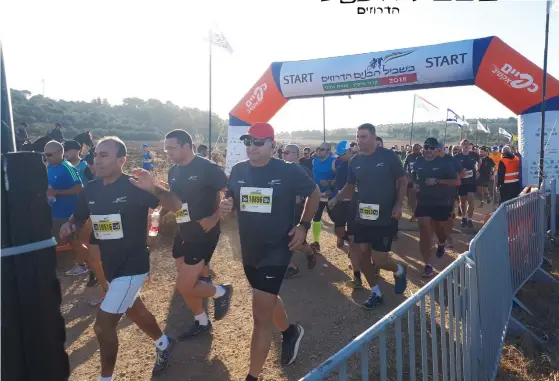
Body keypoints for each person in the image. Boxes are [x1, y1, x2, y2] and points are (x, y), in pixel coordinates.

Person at [59, 136, 183, 379]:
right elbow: (78, 218)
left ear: (121, 160)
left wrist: (154, 188)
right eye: (96, 155)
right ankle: (164, 343)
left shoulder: (135, 186)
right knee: (133, 309)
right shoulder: (91, 189)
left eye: (105, 155)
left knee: (103, 326)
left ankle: (106, 378)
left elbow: (177, 204)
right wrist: (69, 225)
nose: (98, 160)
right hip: (110, 265)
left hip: (133, 266)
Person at [219, 122, 320, 381]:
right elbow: (231, 201)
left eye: (258, 142)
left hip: (278, 248)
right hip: (249, 248)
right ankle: (290, 332)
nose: (251, 147)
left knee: (260, 316)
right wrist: (225, 207)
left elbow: (314, 193)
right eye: (248, 142)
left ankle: (252, 376)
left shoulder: (288, 171)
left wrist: (303, 226)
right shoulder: (239, 170)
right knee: (267, 296)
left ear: (272, 145)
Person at [162, 129, 233, 339]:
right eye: (166, 148)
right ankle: (201, 321)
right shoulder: (173, 171)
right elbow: (174, 197)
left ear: (186, 146)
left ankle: (221, 291)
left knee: (185, 285)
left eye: (172, 147)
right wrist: (162, 211)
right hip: (183, 228)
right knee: (185, 279)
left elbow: (230, 193)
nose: (168, 152)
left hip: (204, 232)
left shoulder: (208, 168)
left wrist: (214, 218)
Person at [329, 123, 408, 309]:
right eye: (357, 137)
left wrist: (398, 205)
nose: (359, 140)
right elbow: (349, 186)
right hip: (361, 215)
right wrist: (335, 199)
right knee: (361, 254)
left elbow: (402, 182)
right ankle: (375, 292)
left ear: (373, 137)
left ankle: (398, 270)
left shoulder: (389, 157)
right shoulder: (355, 161)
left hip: (385, 216)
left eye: (363, 136)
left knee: (380, 259)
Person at [412, 138, 461, 277]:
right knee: (424, 227)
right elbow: (413, 175)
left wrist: (438, 181)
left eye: (432, 148)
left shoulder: (445, 163)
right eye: (426, 147)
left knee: (440, 229)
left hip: (441, 202)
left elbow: (456, 181)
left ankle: (441, 242)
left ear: (437, 150)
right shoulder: (419, 161)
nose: (428, 150)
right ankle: (428, 265)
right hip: (424, 201)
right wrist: (415, 184)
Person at [44, 140, 90, 276]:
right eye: (45, 154)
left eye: (49, 154)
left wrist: (57, 192)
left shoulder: (68, 167)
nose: (46, 157)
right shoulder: (50, 166)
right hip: (55, 211)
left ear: (60, 153)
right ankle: (64, 266)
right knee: (59, 240)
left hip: (68, 213)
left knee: (74, 241)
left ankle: (87, 264)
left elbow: (79, 188)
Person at [282, 144, 318, 279]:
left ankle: (310, 253)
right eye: (283, 152)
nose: (284, 155)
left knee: (297, 241)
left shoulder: (304, 170)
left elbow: (313, 192)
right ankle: (291, 266)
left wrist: (300, 198)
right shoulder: (279, 170)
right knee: (284, 239)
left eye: (288, 153)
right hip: (283, 211)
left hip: (299, 211)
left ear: (296, 156)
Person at [310, 142, 335, 252]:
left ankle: (345, 239)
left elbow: (340, 178)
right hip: (319, 194)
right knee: (316, 217)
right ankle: (316, 242)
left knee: (336, 219)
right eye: (318, 148)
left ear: (328, 151)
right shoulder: (314, 161)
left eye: (322, 149)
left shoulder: (333, 162)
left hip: (331, 195)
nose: (319, 151)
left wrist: (330, 183)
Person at [330, 140, 354, 248]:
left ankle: (353, 249)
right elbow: (337, 178)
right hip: (340, 201)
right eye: (338, 154)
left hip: (353, 201)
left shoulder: (357, 163)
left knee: (353, 229)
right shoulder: (339, 162)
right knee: (338, 228)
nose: (339, 156)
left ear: (350, 151)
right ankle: (342, 238)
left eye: (342, 154)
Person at [454, 139, 478, 228]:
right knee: (463, 202)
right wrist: (459, 173)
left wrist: (477, 171)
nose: (466, 145)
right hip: (462, 182)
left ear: (470, 146)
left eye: (468, 144)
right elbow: (454, 169)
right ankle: (464, 217)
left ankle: (469, 219)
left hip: (471, 182)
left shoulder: (474, 155)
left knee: (471, 200)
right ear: (461, 146)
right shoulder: (456, 157)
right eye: (464, 144)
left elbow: (479, 163)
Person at [404, 144, 422, 222]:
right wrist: (406, 177)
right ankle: (414, 213)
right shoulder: (409, 156)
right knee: (411, 199)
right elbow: (404, 167)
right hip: (411, 180)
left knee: (419, 199)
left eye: (417, 148)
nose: (415, 150)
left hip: (421, 181)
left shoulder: (423, 157)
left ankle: (416, 214)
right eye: (414, 148)